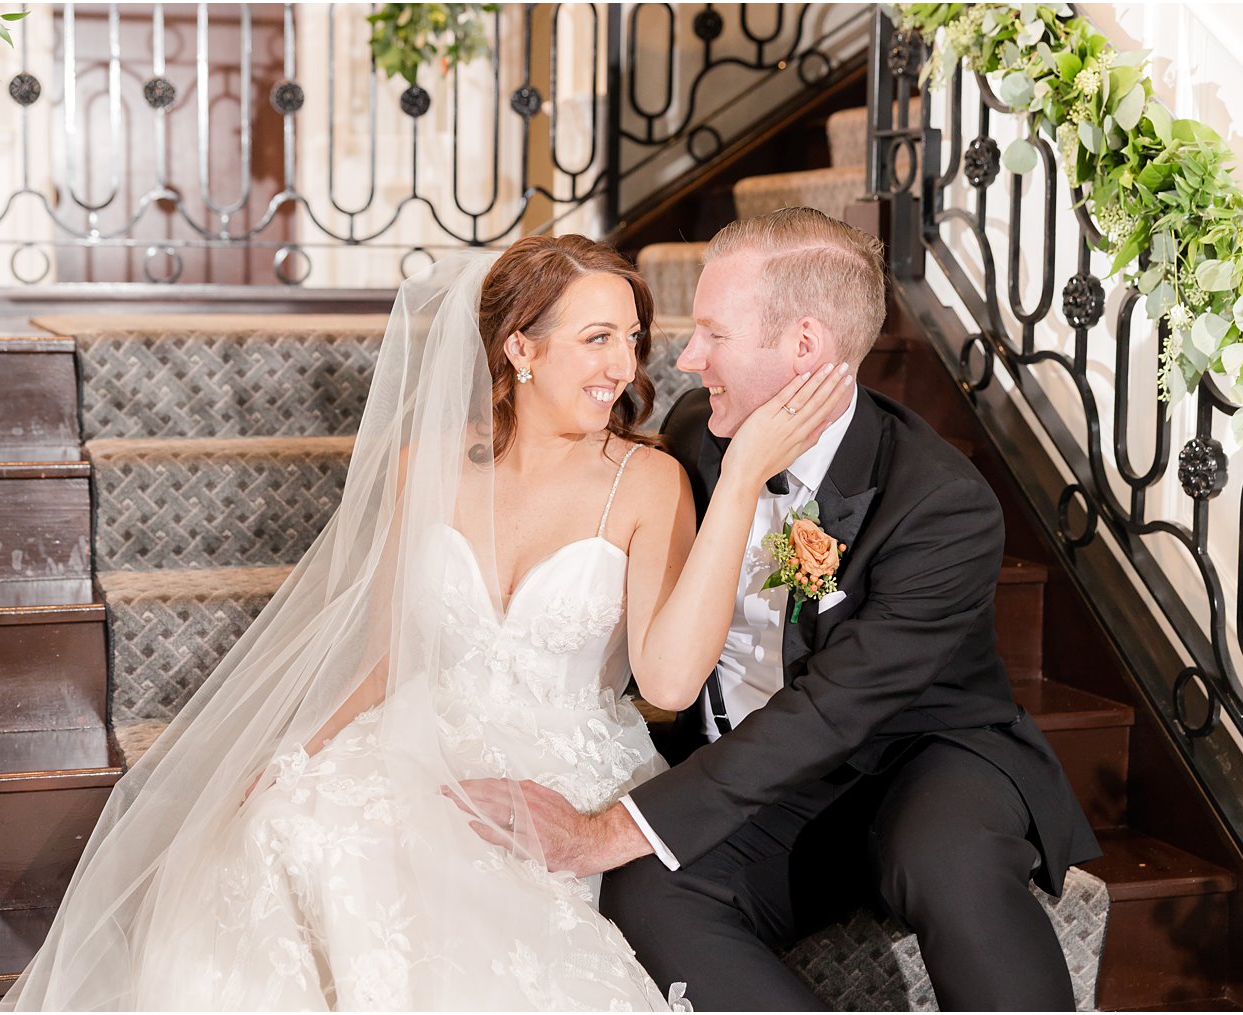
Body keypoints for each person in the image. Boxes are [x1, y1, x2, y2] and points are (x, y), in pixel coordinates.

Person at [1, 234, 850, 1011]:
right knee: (293, 822)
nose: (624, 365)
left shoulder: (649, 481)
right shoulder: (425, 464)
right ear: (520, 347)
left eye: (632, 338)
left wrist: (738, 483)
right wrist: (292, 753)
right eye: (596, 337)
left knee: (428, 886)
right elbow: (387, 655)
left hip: (562, 765)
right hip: (422, 732)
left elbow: (668, 681)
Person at [456, 209, 1101, 1011]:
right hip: (759, 775)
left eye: (713, 335)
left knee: (944, 856)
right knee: (644, 893)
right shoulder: (699, 432)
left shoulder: (940, 505)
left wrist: (604, 827)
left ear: (802, 347)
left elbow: (833, 712)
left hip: (919, 753)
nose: (687, 361)